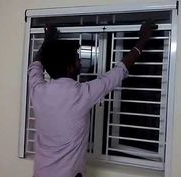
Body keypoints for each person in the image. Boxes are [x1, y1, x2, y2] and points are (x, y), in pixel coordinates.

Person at [28, 20, 157, 177]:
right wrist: (142, 40)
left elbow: (35, 65)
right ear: (69, 67)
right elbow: (119, 71)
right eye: (76, 58)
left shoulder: (38, 91)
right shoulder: (82, 93)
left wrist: (47, 40)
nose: (80, 61)